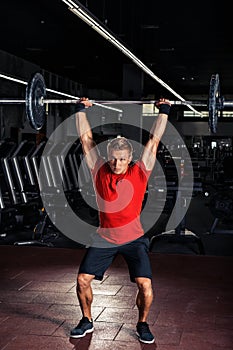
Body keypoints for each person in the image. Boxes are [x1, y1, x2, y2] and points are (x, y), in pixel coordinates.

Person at [70, 97, 171, 344]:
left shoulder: (140, 171)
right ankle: (86, 320)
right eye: (114, 158)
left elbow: (154, 140)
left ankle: (143, 323)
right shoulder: (99, 170)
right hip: (104, 237)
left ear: (130, 157)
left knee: (145, 286)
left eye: (123, 159)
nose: (117, 164)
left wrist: (164, 111)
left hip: (134, 239)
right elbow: (86, 140)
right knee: (83, 280)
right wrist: (80, 110)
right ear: (108, 156)